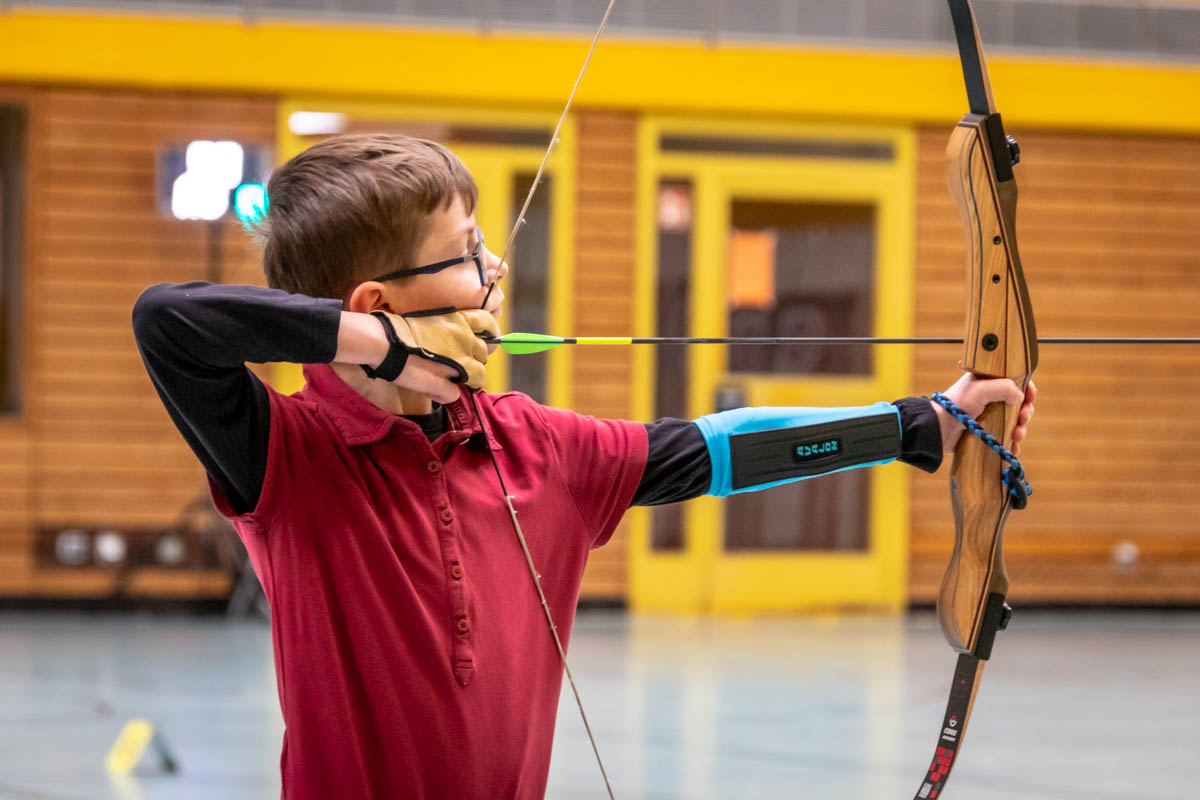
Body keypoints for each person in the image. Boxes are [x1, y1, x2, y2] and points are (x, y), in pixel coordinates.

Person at [131, 133, 1036, 799]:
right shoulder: (287, 457)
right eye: (468, 253)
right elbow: (168, 321)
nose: (494, 267)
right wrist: (382, 346)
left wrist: (919, 425)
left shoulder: (536, 447)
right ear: (375, 305)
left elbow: (719, 449)